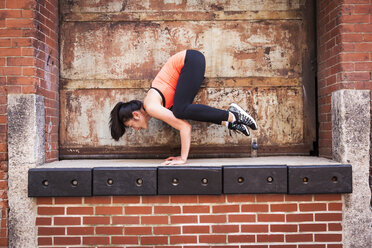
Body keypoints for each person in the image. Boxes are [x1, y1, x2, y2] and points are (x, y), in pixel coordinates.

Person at [110, 49, 257, 165]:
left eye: (132, 125)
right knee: (178, 110)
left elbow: (185, 127)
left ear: (136, 115)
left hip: (190, 60)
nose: (136, 129)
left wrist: (182, 158)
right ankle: (230, 123)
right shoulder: (155, 106)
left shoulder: (151, 106)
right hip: (191, 61)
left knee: (180, 110)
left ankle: (233, 115)